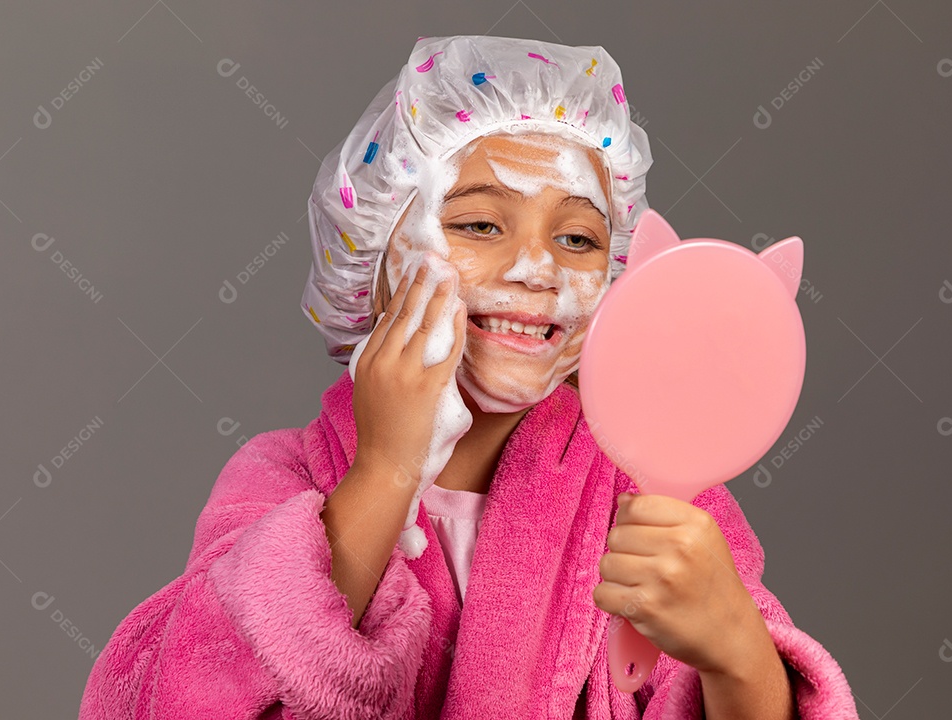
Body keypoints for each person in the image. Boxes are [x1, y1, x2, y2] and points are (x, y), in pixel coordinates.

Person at [79, 35, 859, 719]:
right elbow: (183, 696)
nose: (536, 268)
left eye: (579, 240)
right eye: (480, 224)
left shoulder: (655, 496)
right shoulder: (283, 479)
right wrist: (386, 470)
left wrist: (737, 653)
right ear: (375, 257)